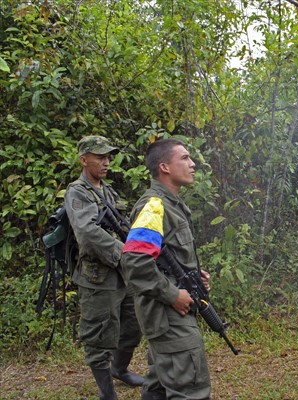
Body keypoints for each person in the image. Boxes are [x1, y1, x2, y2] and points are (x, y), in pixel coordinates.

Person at [120, 138, 212, 400]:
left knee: (159, 387)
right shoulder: (154, 206)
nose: (192, 164)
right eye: (184, 158)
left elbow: (165, 257)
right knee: (190, 391)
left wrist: (195, 276)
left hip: (168, 313)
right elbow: (135, 263)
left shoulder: (172, 205)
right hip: (167, 312)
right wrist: (173, 294)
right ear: (164, 167)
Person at [64, 135, 144, 400]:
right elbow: (87, 233)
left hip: (123, 274)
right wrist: (127, 254)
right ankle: (106, 393)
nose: (106, 162)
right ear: (84, 159)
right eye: (100, 157)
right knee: (99, 335)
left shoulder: (107, 191)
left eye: (108, 157)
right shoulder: (77, 191)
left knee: (132, 326)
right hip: (99, 278)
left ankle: (119, 369)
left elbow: (122, 225)